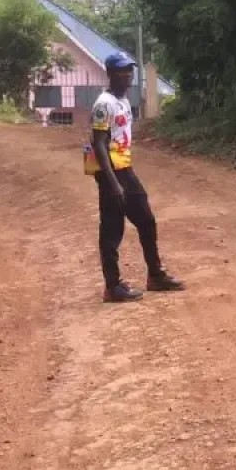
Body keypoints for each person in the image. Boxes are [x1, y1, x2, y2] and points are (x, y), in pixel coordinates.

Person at [83, 52, 184, 302]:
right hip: (112, 173)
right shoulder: (103, 104)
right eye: (121, 70)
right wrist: (112, 182)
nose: (127, 75)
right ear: (110, 73)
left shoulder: (125, 101)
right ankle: (113, 286)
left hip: (125, 168)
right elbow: (98, 143)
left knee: (146, 220)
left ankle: (155, 275)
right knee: (111, 229)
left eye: (129, 70)